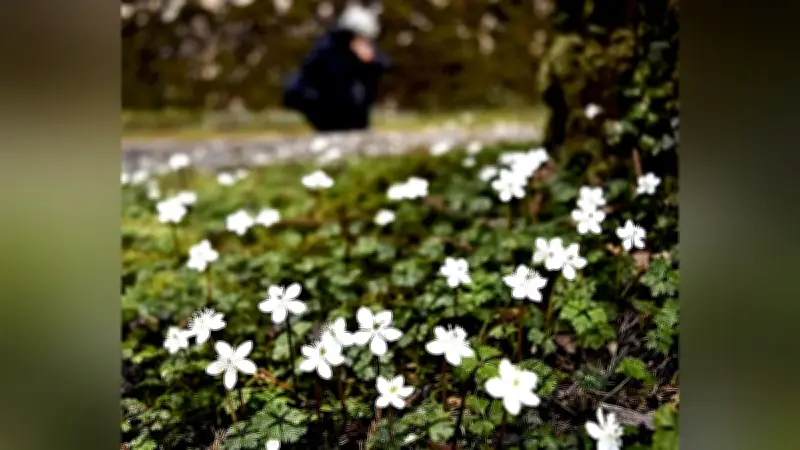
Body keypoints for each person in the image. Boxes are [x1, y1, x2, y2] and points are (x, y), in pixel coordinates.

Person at [282, 3, 390, 132]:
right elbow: (333, 78)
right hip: (320, 99)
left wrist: (369, 62)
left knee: (360, 87)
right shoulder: (328, 48)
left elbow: (383, 65)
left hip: (343, 102)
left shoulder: (362, 48)